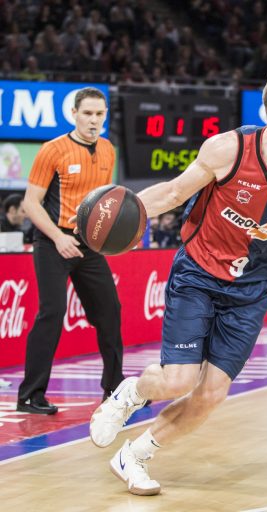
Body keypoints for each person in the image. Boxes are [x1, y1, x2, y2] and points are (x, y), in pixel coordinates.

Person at [87, 64, 267, 496]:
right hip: (199, 275)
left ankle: (135, 455)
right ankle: (130, 394)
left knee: (210, 395)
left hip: (251, 291)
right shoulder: (228, 149)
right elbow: (172, 193)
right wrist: (116, 216)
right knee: (178, 380)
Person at [18, 87, 124, 415]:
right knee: (52, 313)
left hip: (87, 244)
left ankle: (115, 388)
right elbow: (30, 203)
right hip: (52, 242)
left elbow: (103, 203)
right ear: (74, 114)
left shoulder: (107, 149)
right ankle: (30, 396)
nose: (93, 120)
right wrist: (58, 237)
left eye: (99, 114)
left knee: (110, 310)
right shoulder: (52, 150)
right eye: (87, 113)